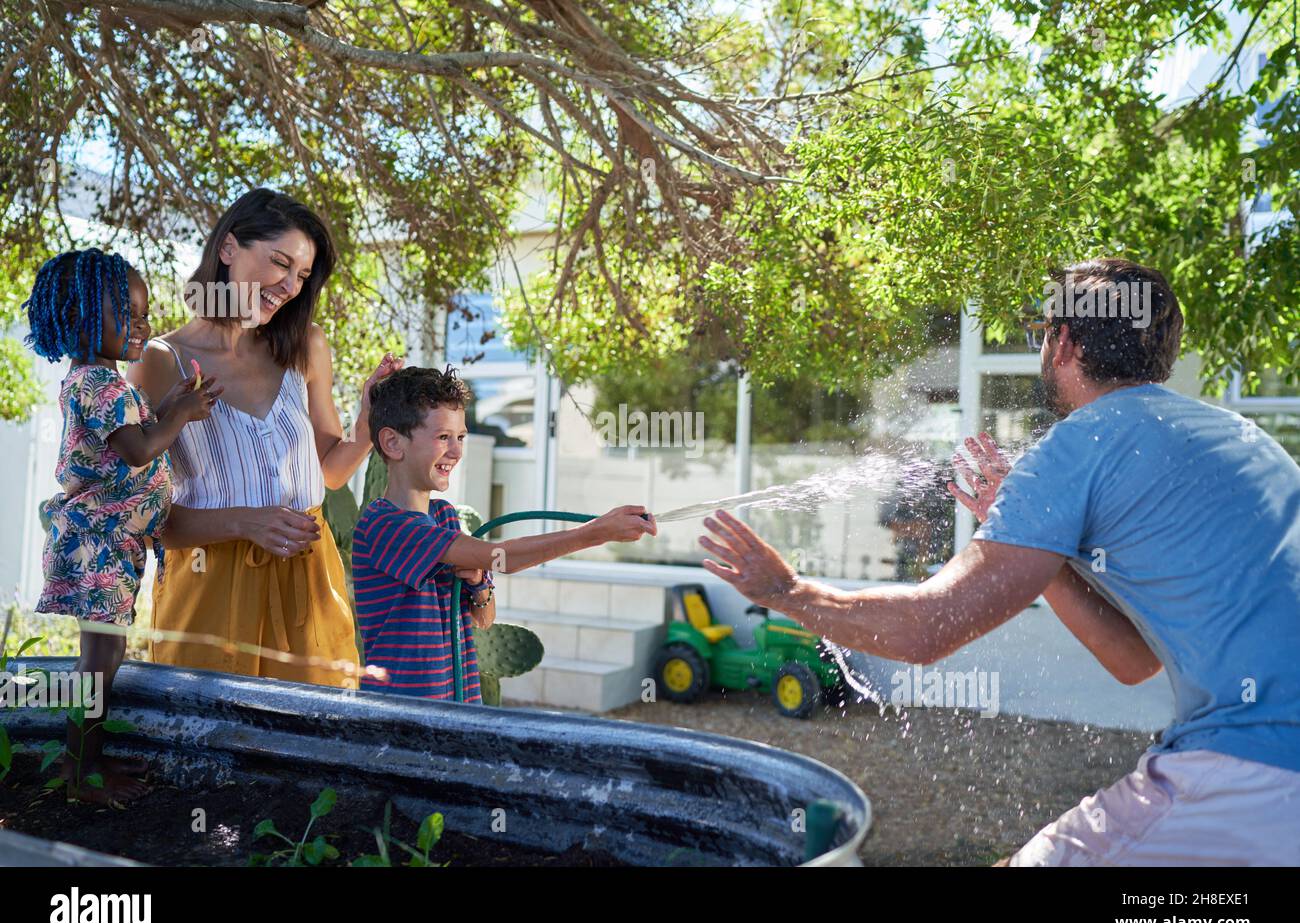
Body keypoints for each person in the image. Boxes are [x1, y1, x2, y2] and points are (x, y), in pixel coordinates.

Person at [699, 258, 1300, 866]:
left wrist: (787, 590)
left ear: (1063, 341)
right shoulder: (1240, 438)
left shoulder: (1076, 445)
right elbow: (1132, 659)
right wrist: (1044, 544)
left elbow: (926, 631)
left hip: (1249, 771)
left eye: (1043, 331)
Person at [130, 188, 400, 687]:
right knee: (213, 743)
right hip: (211, 583)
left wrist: (366, 424)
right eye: (280, 263)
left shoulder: (306, 347)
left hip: (309, 580)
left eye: (302, 275)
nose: (291, 286)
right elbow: (146, 516)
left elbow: (329, 474)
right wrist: (245, 522)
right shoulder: (160, 362)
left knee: (314, 743)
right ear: (229, 248)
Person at [24, 248, 221, 804]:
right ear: (84, 316)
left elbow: (130, 434)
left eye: (143, 312)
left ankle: (85, 758)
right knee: (100, 660)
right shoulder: (96, 384)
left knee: (105, 656)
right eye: (127, 314)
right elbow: (135, 450)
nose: (143, 324)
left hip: (110, 542)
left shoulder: (103, 383)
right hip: (100, 543)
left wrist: (167, 404)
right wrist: (179, 415)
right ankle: (81, 770)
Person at [353, 366, 657, 701]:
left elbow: (482, 619)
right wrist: (597, 532)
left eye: (461, 437)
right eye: (443, 437)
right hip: (405, 719)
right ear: (393, 443)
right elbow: (502, 559)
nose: (456, 452)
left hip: (457, 711)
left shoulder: (443, 516)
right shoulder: (384, 525)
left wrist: (478, 584)